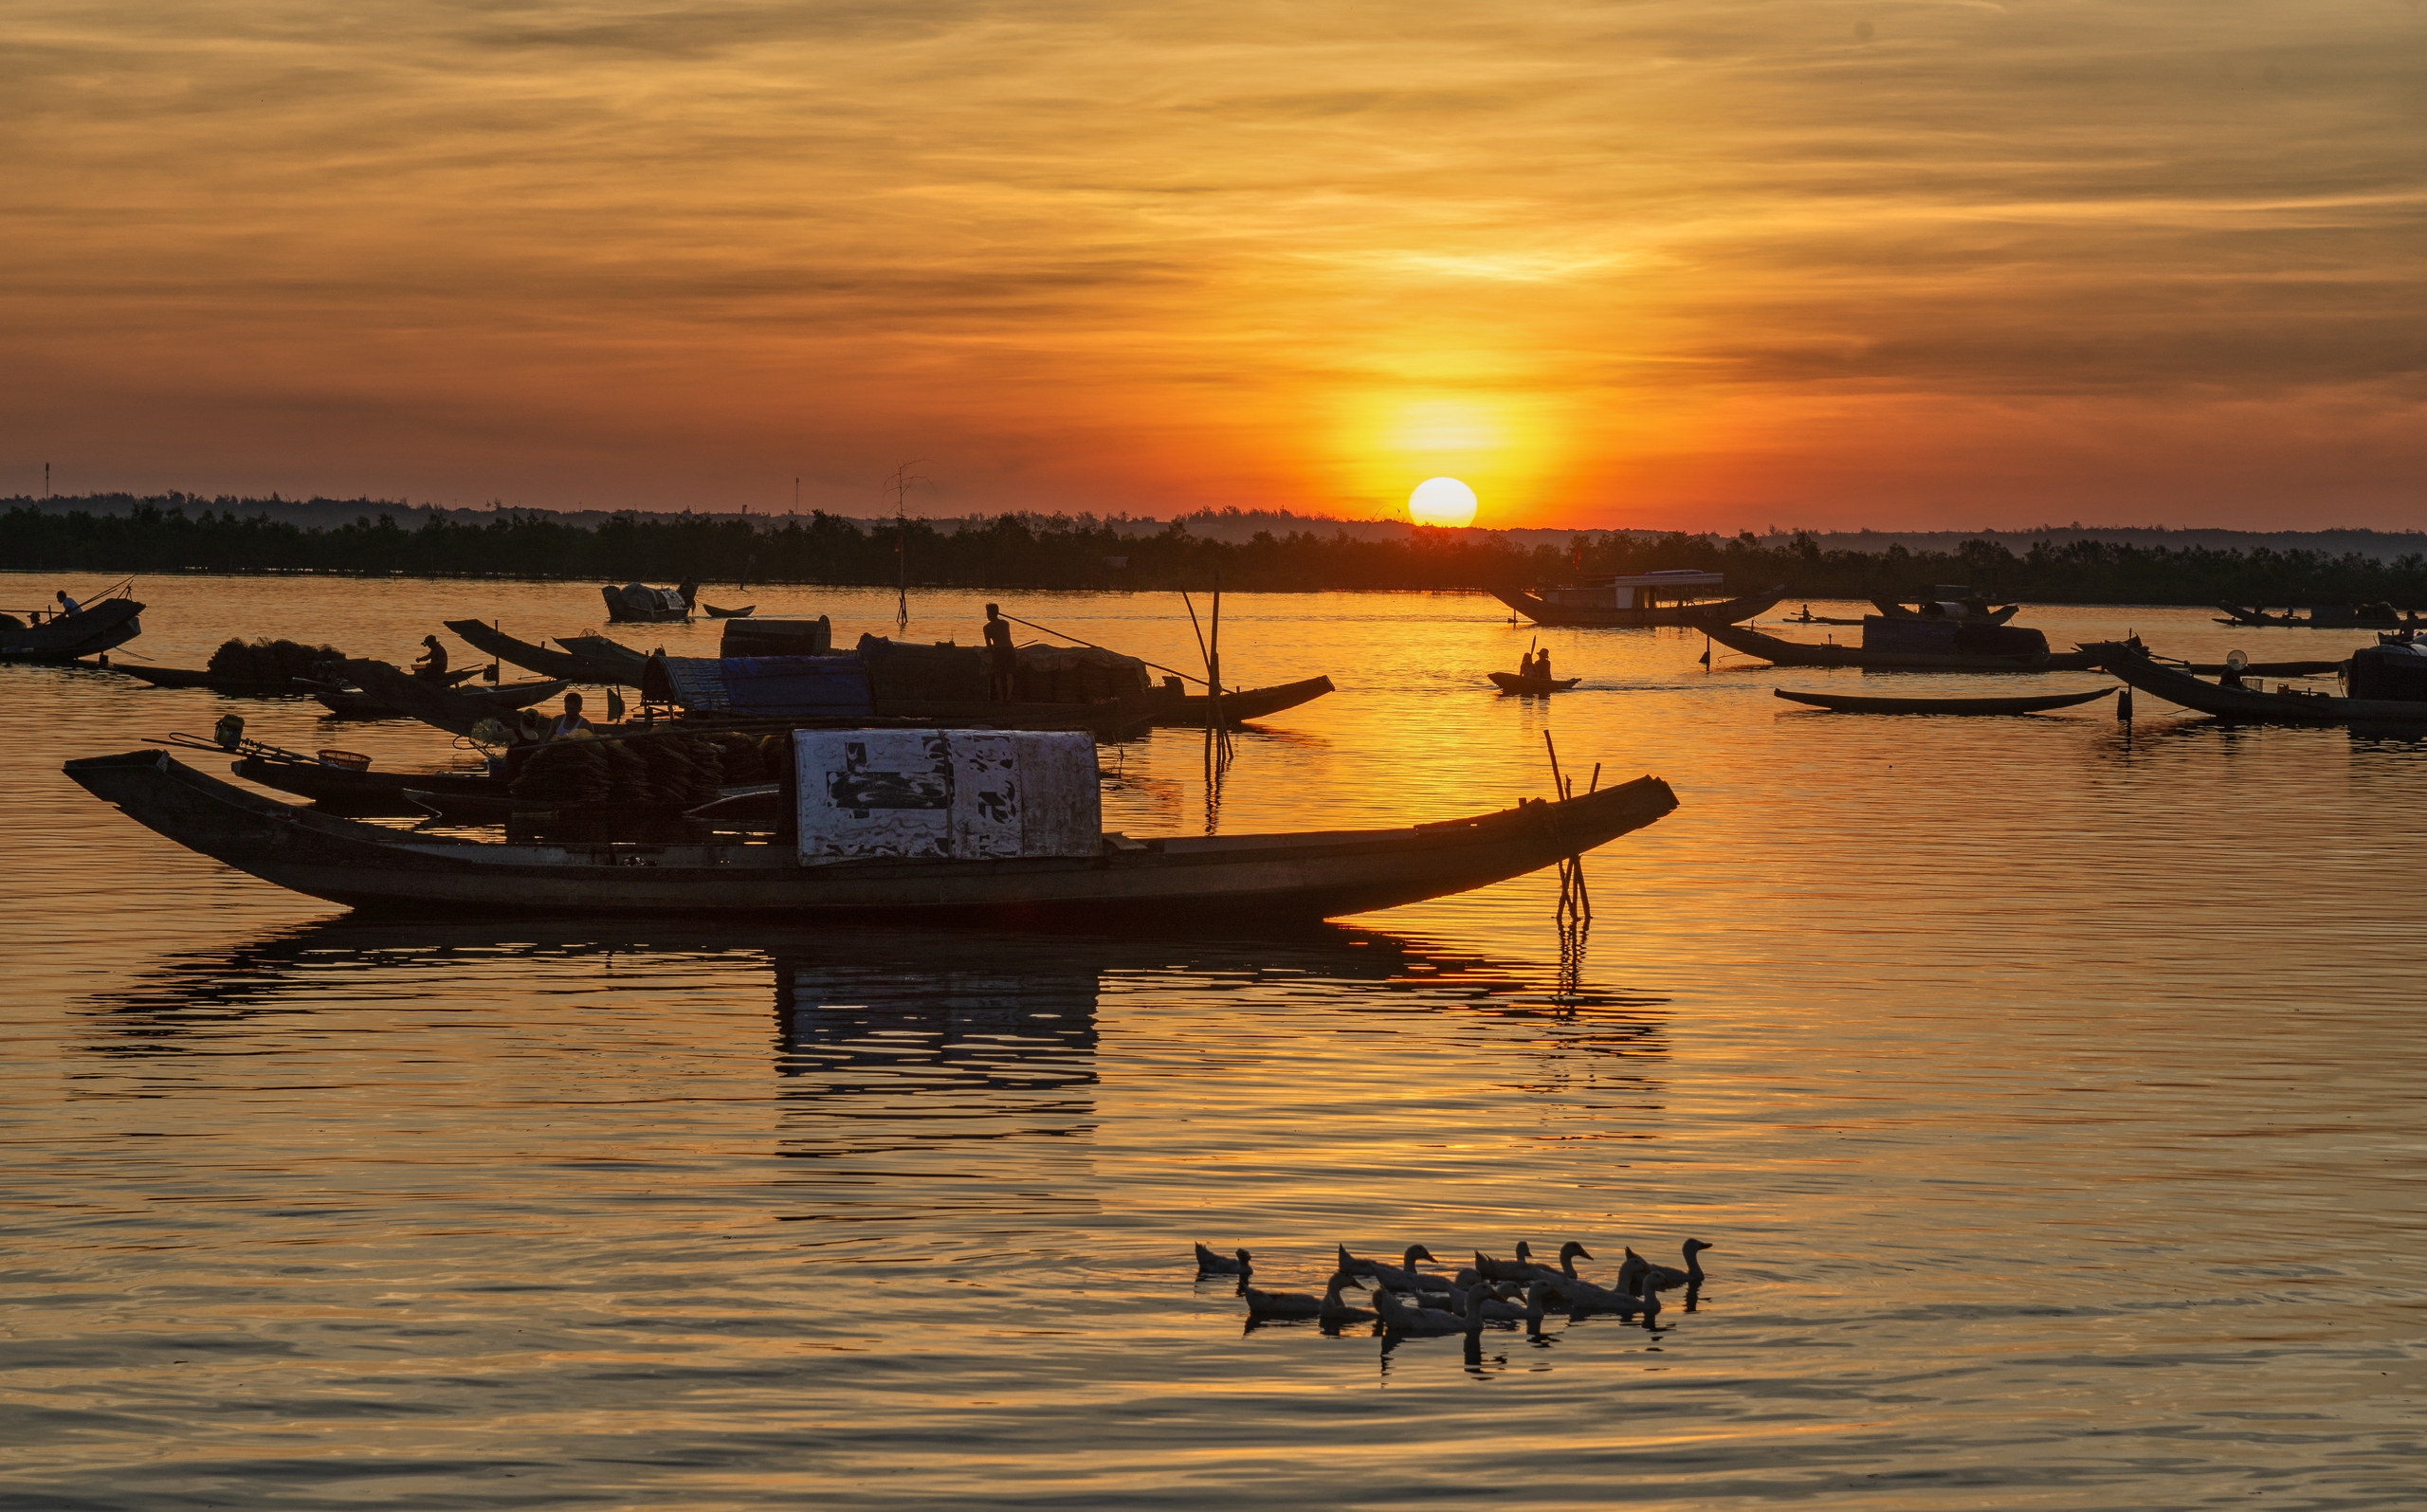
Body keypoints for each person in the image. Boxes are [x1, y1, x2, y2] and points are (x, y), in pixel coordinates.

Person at [982, 603, 1017, 701]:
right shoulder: (1005, 623)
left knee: (998, 675)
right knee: (1009, 673)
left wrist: (990, 651)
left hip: (998, 651)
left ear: (990, 613)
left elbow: (989, 644)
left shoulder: (987, 627)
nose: (987, 615)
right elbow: (1004, 637)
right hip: (1009, 649)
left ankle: (1001, 698)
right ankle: (1009, 696)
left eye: (987, 613)